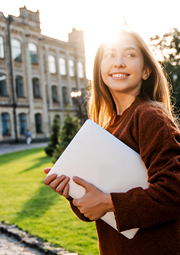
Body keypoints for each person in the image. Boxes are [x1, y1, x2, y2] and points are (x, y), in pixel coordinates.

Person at [44, 29, 180, 254]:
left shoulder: (148, 116)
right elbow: (97, 211)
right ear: (99, 70)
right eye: (109, 55)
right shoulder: (107, 129)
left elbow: (174, 191)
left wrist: (109, 202)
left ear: (146, 71)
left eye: (129, 55)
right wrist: (73, 193)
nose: (118, 62)